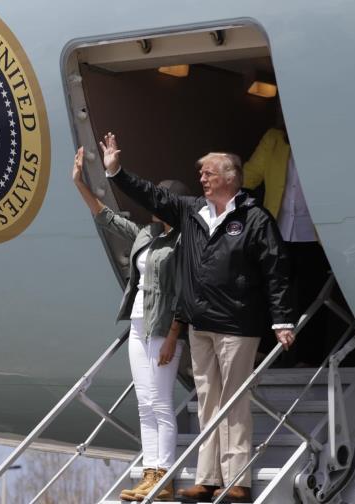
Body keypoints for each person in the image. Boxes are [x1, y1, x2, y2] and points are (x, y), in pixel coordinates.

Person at [99, 133, 295, 503]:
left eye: (207, 173)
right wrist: (117, 172)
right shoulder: (192, 212)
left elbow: (275, 270)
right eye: (200, 174)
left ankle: (236, 477)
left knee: (234, 400)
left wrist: (282, 320)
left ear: (230, 177)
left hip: (238, 324)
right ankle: (208, 477)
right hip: (202, 324)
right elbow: (153, 196)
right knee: (208, 400)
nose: (201, 178)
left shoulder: (253, 219)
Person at [72, 147, 186, 502]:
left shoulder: (184, 242)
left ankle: (163, 475)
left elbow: (183, 293)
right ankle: (149, 471)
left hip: (164, 328)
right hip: (138, 324)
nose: (153, 204)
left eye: (161, 198)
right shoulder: (146, 234)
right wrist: (80, 183)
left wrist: (173, 337)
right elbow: (106, 217)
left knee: (161, 401)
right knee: (144, 401)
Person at [243, 119, 330, 366]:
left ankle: (309, 358)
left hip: (315, 236)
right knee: (270, 292)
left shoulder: (325, 145)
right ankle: (265, 352)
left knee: (313, 298)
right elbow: (250, 175)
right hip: (279, 232)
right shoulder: (274, 139)